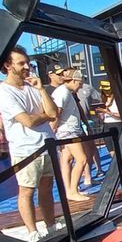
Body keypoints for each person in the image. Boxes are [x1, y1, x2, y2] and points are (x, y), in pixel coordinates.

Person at [0, 46, 59, 242]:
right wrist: (44, 115)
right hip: (26, 150)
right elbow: (28, 121)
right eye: (21, 63)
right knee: (27, 191)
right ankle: (32, 232)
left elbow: (54, 112)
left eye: (27, 63)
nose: (26, 67)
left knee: (47, 188)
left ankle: (51, 225)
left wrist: (41, 89)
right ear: (8, 65)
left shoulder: (33, 87)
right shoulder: (4, 92)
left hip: (46, 146)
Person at [51, 70, 90, 202]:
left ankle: (69, 190)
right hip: (68, 132)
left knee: (67, 159)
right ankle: (73, 190)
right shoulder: (62, 92)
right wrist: (52, 130)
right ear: (73, 80)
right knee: (82, 159)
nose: (81, 86)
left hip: (68, 130)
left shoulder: (67, 92)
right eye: (80, 83)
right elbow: (56, 113)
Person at [96, 81, 122, 188]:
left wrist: (108, 112)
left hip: (118, 125)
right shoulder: (104, 99)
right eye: (104, 90)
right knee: (112, 153)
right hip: (107, 125)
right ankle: (121, 175)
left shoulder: (118, 99)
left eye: (108, 89)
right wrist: (102, 114)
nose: (106, 92)